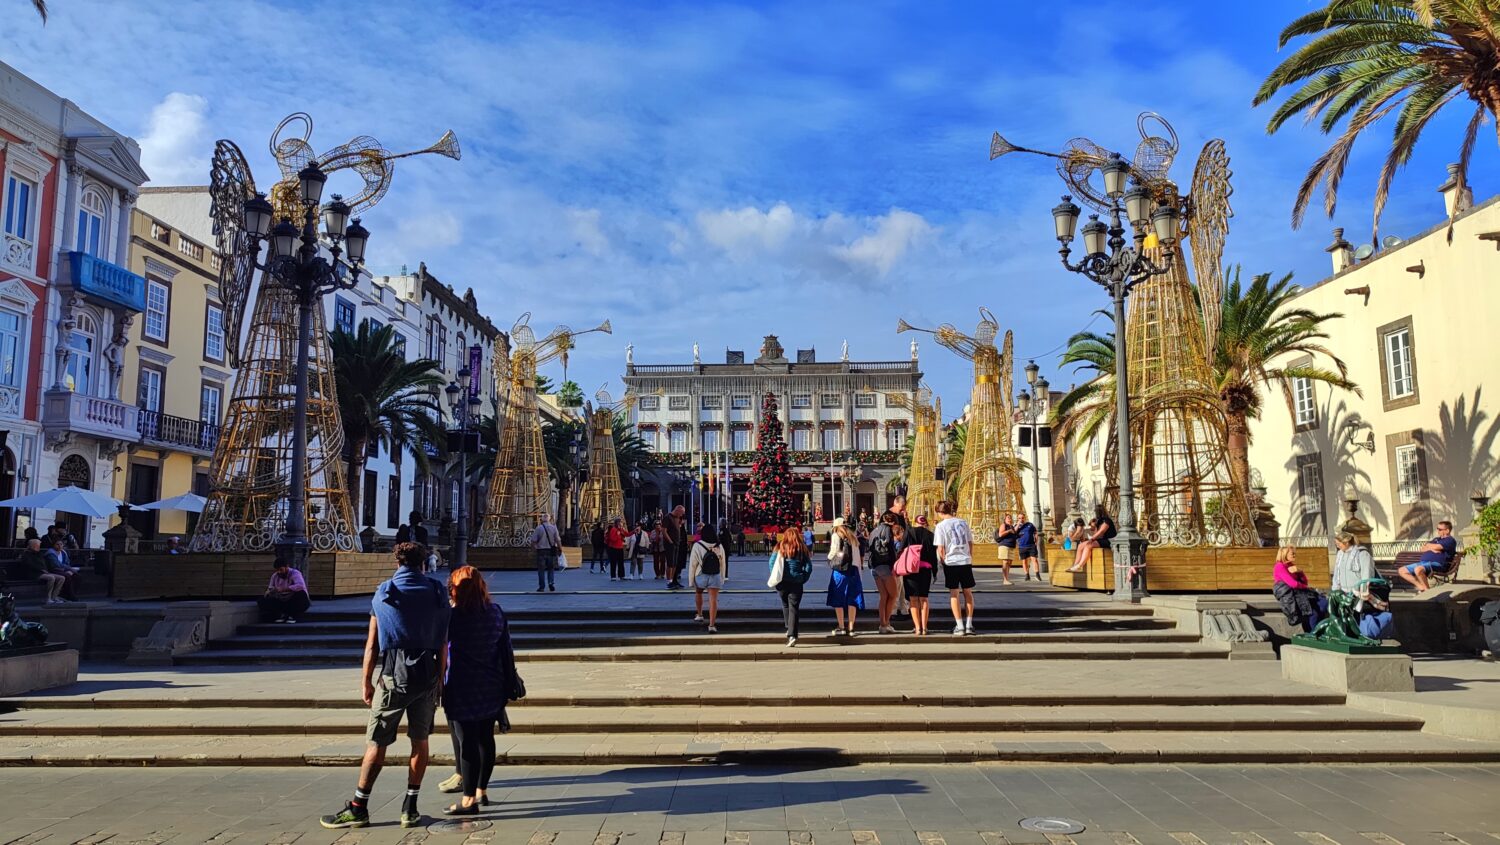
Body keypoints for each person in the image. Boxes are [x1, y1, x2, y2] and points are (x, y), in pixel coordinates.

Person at [320, 542, 451, 830]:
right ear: (423, 564)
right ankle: (410, 807)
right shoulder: (437, 591)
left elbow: (372, 645)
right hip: (427, 676)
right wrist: (440, 680)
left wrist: (366, 681)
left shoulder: (387, 591)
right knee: (421, 742)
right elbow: (443, 643)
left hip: (394, 675)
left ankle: (359, 806)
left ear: (398, 563)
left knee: (377, 743)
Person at [441, 566, 517, 816]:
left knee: (467, 743)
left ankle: (468, 801)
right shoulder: (494, 612)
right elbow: (506, 649)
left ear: (455, 590)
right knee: (486, 737)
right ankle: (482, 790)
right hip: (491, 685)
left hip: (461, 686)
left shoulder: (451, 618)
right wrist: (508, 682)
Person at [1332, 531, 1392, 640]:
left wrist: (1364, 592)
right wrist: (1335, 590)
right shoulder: (1340, 554)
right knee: (1347, 618)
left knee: (1360, 616)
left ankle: (1366, 637)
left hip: (1359, 593)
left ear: (1345, 542)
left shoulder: (1362, 554)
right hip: (1345, 593)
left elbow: (1366, 575)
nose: (1337, 545)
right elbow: (1337, 574)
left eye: (1338, 543)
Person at [934, 499, 976, 636]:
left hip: (951, 562)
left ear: (940, 512)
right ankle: (969, 624)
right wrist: (969, 556)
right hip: (965, 560)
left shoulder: (941, 526)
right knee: (968, 593)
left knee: (954, 594)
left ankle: (959, 625)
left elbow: (940, 548)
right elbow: (970, 543)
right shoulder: (963, 522)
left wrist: (943, 560)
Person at [769, 526, 813, 646]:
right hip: (796, 582)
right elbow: (809, 566)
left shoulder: (779, 546)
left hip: (782, 582)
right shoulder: (801, 548)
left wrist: (776, 576)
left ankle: (789, 628)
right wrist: (803, 577)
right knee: (794, 607)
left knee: (785, 605)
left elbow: (772, 562)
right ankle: (792, 634)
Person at [825, 517, 864, 636]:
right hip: (853, 571)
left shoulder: (836, 535)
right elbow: (857, 558)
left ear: (836, 527)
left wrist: (829, 559)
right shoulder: (853, 537)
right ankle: (851, 627)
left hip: (841, 571)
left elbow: (833, 552)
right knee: (853, 598)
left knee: (838, 597)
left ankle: (841, 627)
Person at [866, 511, 903, 634]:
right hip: (886, 566)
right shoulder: (888, 530)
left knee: (883, 596)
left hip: (874, 565)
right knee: (893, 595)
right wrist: (894, 565)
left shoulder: (874, 530)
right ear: (893, 522)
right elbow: (890, 549)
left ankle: (883, 623)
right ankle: (885, 623)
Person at [1397, 520, 1459, 592]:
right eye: (1437, 529)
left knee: (1418, 569)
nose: (1437, 531)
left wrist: (1430, 547)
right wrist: (1432, 548)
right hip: (1424, 563)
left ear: (1447, 530)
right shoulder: (1436, 539)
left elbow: (1436, 547)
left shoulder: (1450, 540)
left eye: (1440, 529)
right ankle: (1421, 587)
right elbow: (1423, 548)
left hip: (1438, 564)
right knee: (1401, 570)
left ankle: (1427, 591)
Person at [903, 514, 939, 635]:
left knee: (913, 599)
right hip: (925, 570)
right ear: (925, 523)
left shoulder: (909, 532)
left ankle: (917, 627)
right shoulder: (931, 535)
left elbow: (902, 549)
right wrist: (935, 572)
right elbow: (934, 557)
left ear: (915, 522)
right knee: (924, 598)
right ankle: (925, 627)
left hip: (911, 569)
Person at [1272, 546, 1321, 632]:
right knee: (1312, 613)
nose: (1294, 555)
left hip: (1300, 594)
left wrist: (1300, 571)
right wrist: (1306, 588)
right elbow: (1293, 584)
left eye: (1295, 553)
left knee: (1323, 603)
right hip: (1293, 597)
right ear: (1284, 554)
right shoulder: (1280, 566)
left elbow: (1304, 582)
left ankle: (1314, 631)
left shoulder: (1291, 565)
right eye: (1292, 553)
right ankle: (1312, 634)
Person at [688, 523, 726, 632]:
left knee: (698, 592)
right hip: (715, 574)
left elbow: (693, 564)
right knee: (713, 599)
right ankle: (712, 625)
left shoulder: (697, 545)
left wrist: (691, 580)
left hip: (701, 574)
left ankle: (699, 614)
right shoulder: (719, 545)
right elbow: (723, 563)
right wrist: (722, 578)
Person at [18, 538, 66, 605]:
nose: (39, 547)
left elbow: (44, 563)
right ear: (33, 546)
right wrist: (41, 569)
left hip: (44, 572)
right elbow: (30, 565)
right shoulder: (26, 554)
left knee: (62, 578)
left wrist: (46, 570)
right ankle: (48, 598)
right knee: (51, 578)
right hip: (34, 573)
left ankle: (54, 597)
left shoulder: (39, 553)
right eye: (37, 545)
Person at [1068, 507, 1115, 573]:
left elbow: (1101, 531)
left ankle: (1080, 565)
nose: (1096, 514)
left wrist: (1092, 539)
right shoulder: (1099, 521)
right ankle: (1075, 565)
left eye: (1097, 512)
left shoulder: (1107, 520)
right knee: (1081, 545)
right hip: (1101, 540)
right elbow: (1096, 533)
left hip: (1109, 540)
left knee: (1088, 545)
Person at [528, 514, 561, 593]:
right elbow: (558, 540)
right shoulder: (553, 528)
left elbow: (533, 541)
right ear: (549, 519)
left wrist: (534, 549)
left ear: (542, 519)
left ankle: (541, 587)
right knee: (551, 568)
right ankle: (551, 583)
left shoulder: (539, 528)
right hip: (551, 551)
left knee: (541, 570)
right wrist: (560, 549)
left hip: (541, 551)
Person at [663, 506, 688, 590]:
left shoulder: (677, 518)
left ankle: (673, 580)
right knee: (670, 563)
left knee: (674, 563)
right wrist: (670, 541)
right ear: (677, 510)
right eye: (681, 513)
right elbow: (664, 531)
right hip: (670, 544)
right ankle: (669, 581)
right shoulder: (667, 517)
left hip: (677, 543)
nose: (681, 515)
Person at [1014, 511, 1040, 582]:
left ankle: (1037, 575)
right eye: (1019, 518)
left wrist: (1036, 541)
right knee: (1024, 561)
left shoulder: (1030, 525)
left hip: (1031, 545)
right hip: (1022, 546)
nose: (1021, 519)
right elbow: (1014, 532)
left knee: (1034, 560)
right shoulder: (1016, 526)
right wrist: (1018, 524)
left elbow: (1035, 532)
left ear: (1024, 518)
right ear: (1017, 519)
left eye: (1022, 518)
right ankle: (1027, 575)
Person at [994, 513, 1018, 585]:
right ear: (1005, 519)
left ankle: (1007, 579)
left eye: (1010, 518)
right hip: (1005, 545)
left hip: (1011, 546)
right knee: (1005, 561)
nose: (1010, 519)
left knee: (1009, 562)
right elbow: (1001, 534)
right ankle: (1005, 580)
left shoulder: (1011, 527)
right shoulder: (1004, 525)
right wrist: (1008, 531)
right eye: (1008, 518)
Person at [604, 517, 627, 582]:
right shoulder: (613, 529)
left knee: (621, 563)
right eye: (619, 522)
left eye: (621, 522)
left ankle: (621, 575)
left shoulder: (621, 529)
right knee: (613, 563)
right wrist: (618, 535)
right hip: (613, 548)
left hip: (620, 548)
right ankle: (613, 576)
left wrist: (634, 531)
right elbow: (612, 539)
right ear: (616, 523)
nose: (620, 523)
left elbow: (627, 534)